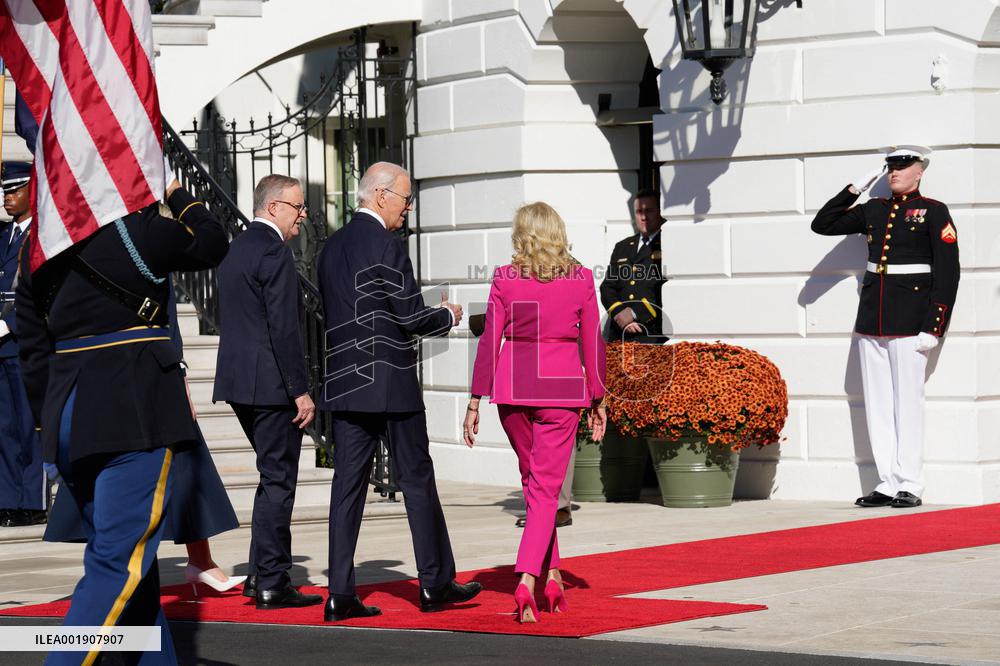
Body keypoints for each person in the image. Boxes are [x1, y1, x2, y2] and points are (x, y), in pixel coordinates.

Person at [15, 168, 228, 665]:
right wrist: (177, 193)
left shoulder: (37, 248)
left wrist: (50, 428)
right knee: (116, 566)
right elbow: (212, 241)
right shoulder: (134, 230)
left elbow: (33, 351)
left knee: (137, 564)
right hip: (130, 412)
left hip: (68, 415)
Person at [318, 161, 481, 622]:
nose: (408, 208)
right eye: (406, 199)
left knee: (346, 487)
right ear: (381, 195)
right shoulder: (386, 246)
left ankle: (339, 593)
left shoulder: (331, 248)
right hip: (390, 384)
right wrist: (447, 315)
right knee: (417, 480)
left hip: (348, 384)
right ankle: (435, 583)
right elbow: (410, 317)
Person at [42, 282, 244, 595]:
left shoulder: (146, 247)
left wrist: (178, 371)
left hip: (149, 366)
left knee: (184, 454)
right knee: (122, 462)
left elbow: (167, 316)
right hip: (109, 369)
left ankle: (199, 561)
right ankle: (141, 565)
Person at [466, 202, 607, 623]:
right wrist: (598, 397)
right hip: (561, 389)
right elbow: (592, 344)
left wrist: (475, 398)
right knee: (545, 489)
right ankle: (528, 578)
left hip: (513, 388)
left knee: (535, 484)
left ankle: (554, 574)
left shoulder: (505, 279)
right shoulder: (581, 279)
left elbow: (489, 341)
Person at [811, 145, 959, 509]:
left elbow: (947, 273)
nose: (894, 172)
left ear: (919, 171)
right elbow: (823, 224)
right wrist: (855, 188)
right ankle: (887, 481)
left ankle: (911, 481)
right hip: (872, 319)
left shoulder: (933, 212)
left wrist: (934, 326)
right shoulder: (874, 210)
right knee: (877, 404)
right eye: (890, 167)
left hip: (911, 321)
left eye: (902, 166)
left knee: (907, 403)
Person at [213, 174, 320, 610]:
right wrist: (300, 390)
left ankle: (261, 573)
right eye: (298, 207)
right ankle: (274, 581)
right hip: (272, 386)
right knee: (279, 481)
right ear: (273, 207)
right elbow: (283, 327)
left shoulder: (236, 247)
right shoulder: (274, 251)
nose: (303, 215)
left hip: (240, 382)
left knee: (270, 478)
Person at [0, 161, 46, 528]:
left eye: (14, 190)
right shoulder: (4, 238)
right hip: (1, 346)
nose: (7, 198)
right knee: (4, 427)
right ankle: (8, 498)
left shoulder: (43, 237)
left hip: (24, 342)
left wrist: (9, 323)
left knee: (29, 426)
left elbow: (41, 292)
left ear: (32, 191)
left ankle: (32, 500)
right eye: (4, 192)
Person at [599, 188, 668, 344]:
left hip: (652, 334)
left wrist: (635, 313)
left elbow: (665, 289)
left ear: (660, 212)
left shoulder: (668, 243)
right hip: (620, 336)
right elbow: (608, 287)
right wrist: (619, 313)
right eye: (638, 212)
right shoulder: (622, 246)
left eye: (648, 211)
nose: (643, 217)